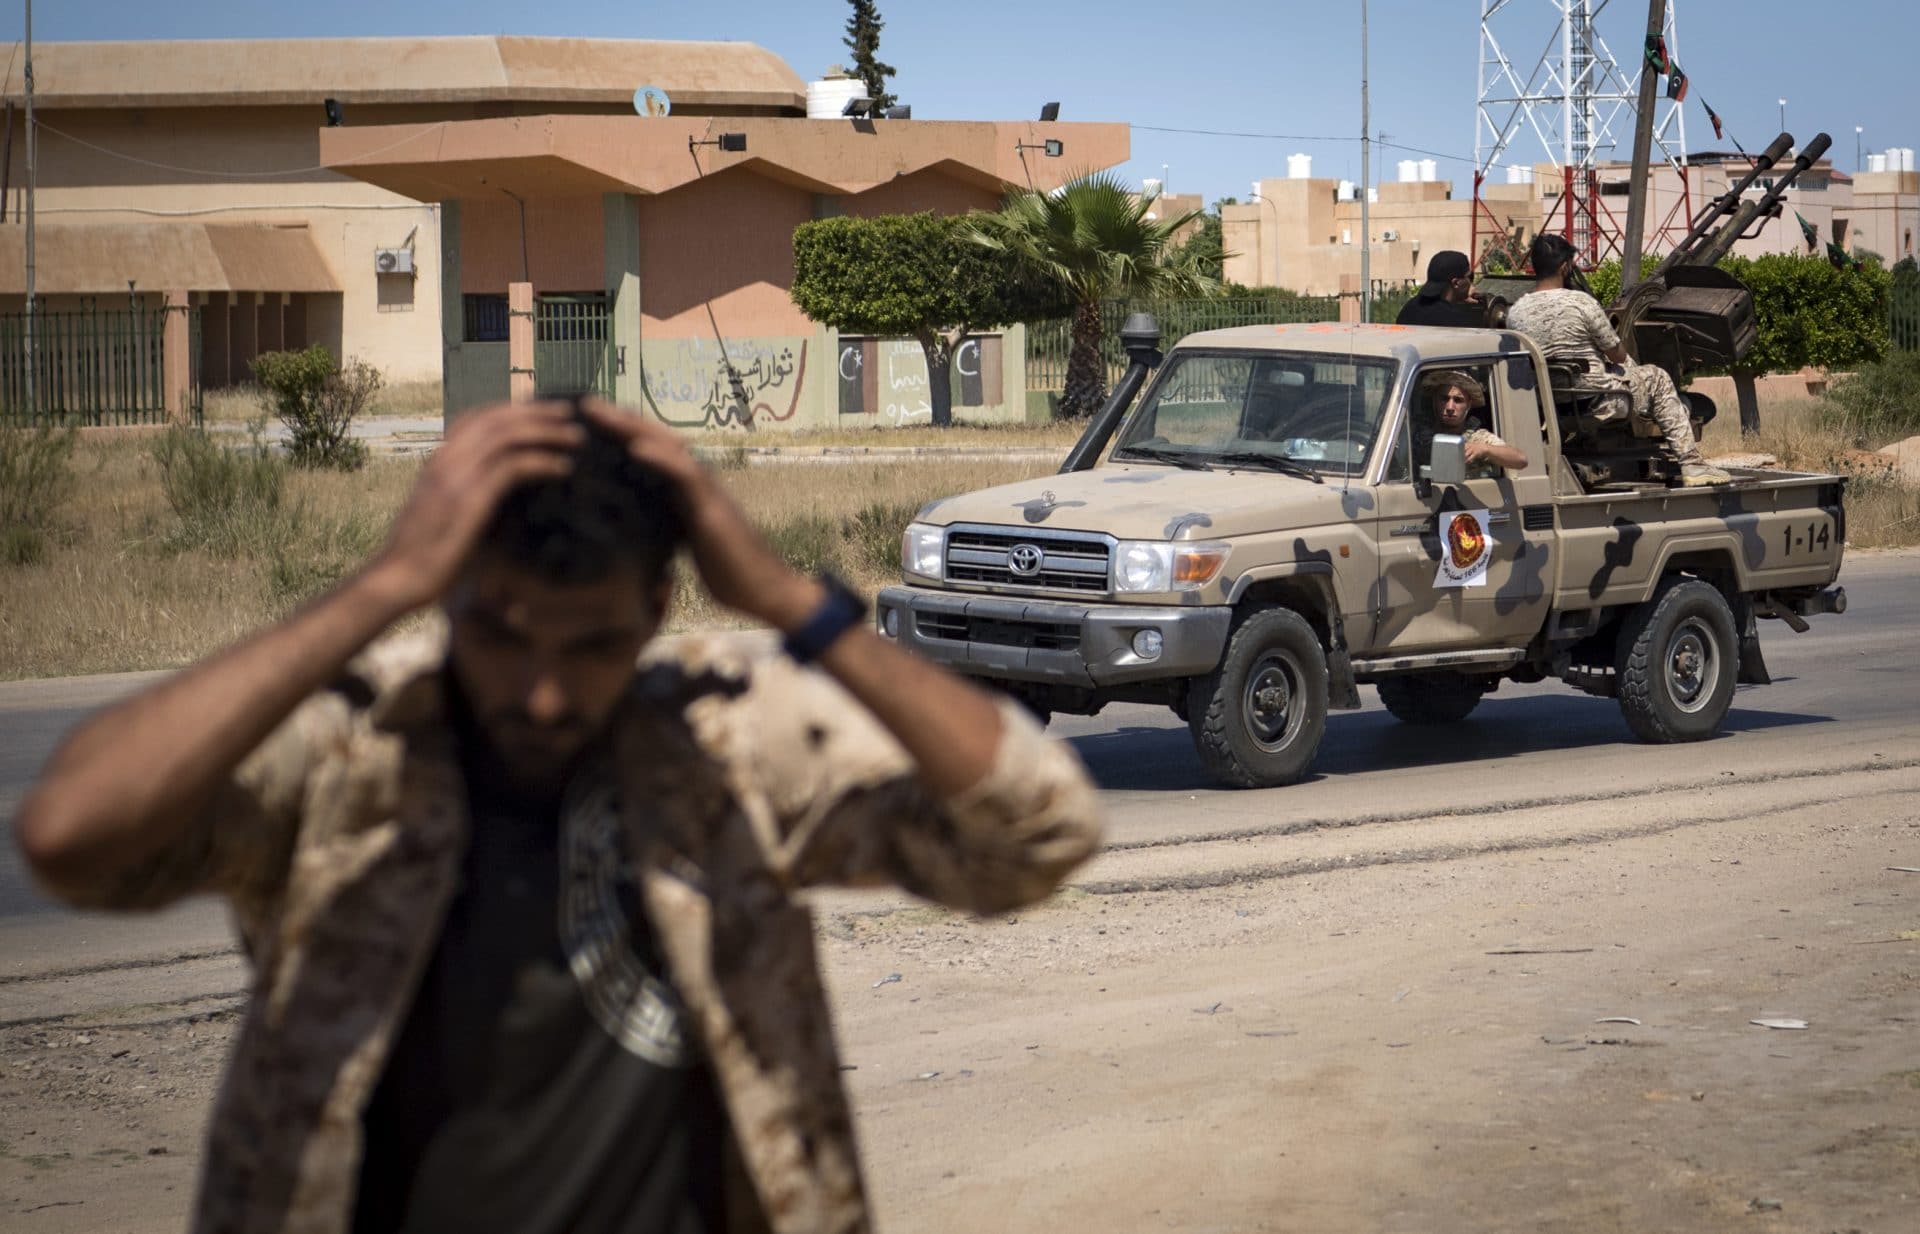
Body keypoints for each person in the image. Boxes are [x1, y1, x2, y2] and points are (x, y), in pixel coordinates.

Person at [16, 397, 1103, 1234]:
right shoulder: (361, 749)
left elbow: (1040, 828)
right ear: (450, 594)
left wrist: (784, 598)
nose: (542, 695)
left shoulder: (723, 749)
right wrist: (379, 585)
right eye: (501, 635)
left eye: (590, 646)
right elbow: (71, 836)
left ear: (655, 608)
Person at [1506, 233, 1730, 486]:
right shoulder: (1582, 303)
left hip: (1551, 406)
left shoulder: (1516, 312)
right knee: (1656, 377)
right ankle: (1692, 463)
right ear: (1565, 266)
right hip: (1599, 403)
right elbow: (1618, 354)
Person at [1414, 370, 1529, 475]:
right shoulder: (1416, 430)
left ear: (1468, 405)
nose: (1450, 407)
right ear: (1435, 401)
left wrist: (1484, 450)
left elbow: (1521, 460)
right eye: (1444, 399)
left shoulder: (1478, 438)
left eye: (1458, 400)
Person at [1396, 250, 1485, 327]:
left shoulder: (1409, 308)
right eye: (1469, 277)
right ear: (1456, 283)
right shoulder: (1454, 319)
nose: (1471, 283)